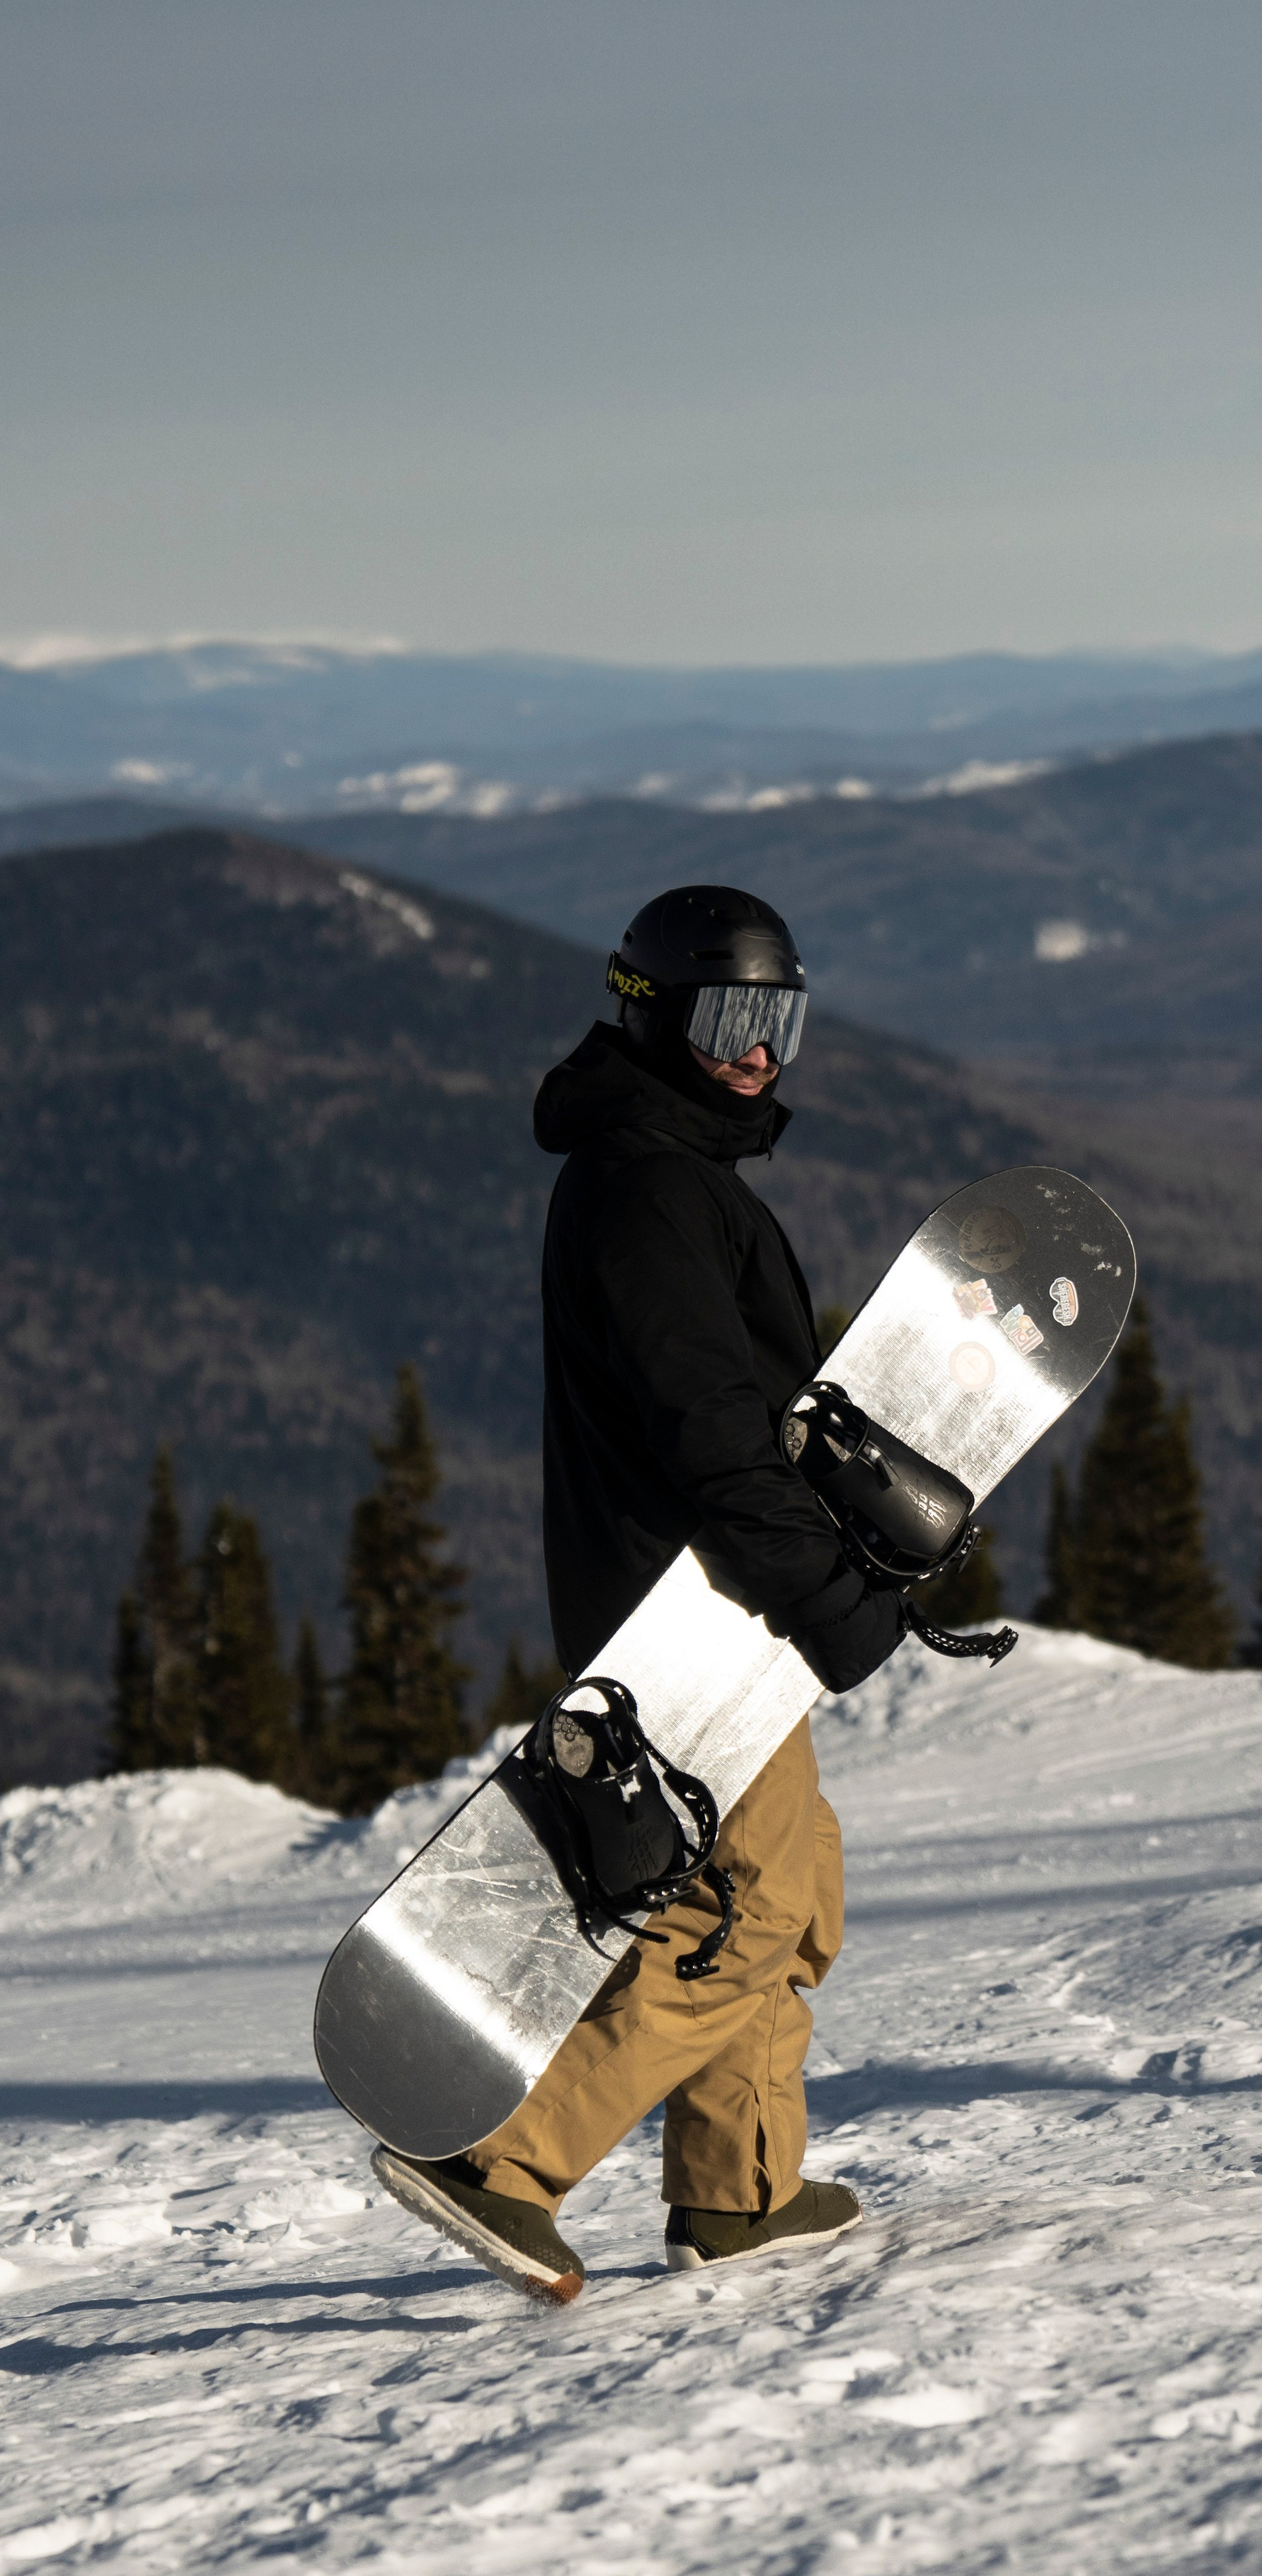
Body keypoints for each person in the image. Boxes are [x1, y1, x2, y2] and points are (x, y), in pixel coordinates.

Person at [370, 885, 906, 2302]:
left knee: (785, 1891)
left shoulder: (665, 1171)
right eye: (730, 1020)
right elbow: (710, 1432)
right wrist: (836, 1602)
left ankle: (740, 2195)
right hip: (686, 1612)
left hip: (710, 1604)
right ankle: (500, 2165)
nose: (757, 1054)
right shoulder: (653, 1189)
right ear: (650, 1012)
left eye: (777, 1019)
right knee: (738, 1903)